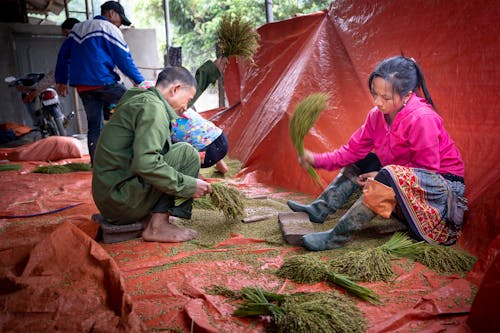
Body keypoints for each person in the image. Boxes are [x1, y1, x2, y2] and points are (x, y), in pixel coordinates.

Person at [287, 55, 467, 251]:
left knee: (387, 173)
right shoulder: (376, 116)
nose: (378, 102)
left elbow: (427, 170)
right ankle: (319, 209)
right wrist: (315, 159)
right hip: (400, 176)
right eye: (375, 94)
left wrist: (381, 176)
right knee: (365, 159)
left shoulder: (422, 118)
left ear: (406, 95)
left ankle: (336, 237)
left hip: (439, 190)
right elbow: (352, 151)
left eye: (385, 97)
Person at [92, 66, 212, 243]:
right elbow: (146, 163)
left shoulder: (142, 97)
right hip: (119, 201)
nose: (186, 108)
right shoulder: (153, 108)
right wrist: (188, 185)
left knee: (177, 151)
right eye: (188, 100)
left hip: (110, 196)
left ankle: (157, 217)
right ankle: (158, 226)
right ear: (175, 89)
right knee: (186, 154)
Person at [55, 1, 145, 164]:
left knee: (94, 125)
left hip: (83, 87)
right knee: (140, 104)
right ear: (111, 14)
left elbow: (63, 56)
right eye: (120, 20)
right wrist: (141, 83)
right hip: (103, 82)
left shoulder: (77, 29)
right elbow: (124, 59)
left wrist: (61, 80)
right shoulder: (108, 28)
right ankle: (141, 155)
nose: (119, 25)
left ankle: (96, 164)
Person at [170, 57, 229, 174]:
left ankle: (195, 177)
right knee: (201, 132)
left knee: (179, 149)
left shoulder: (162, 117)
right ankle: (222, 166)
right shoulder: (183, 102)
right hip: (221, 139)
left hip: (205, 155)